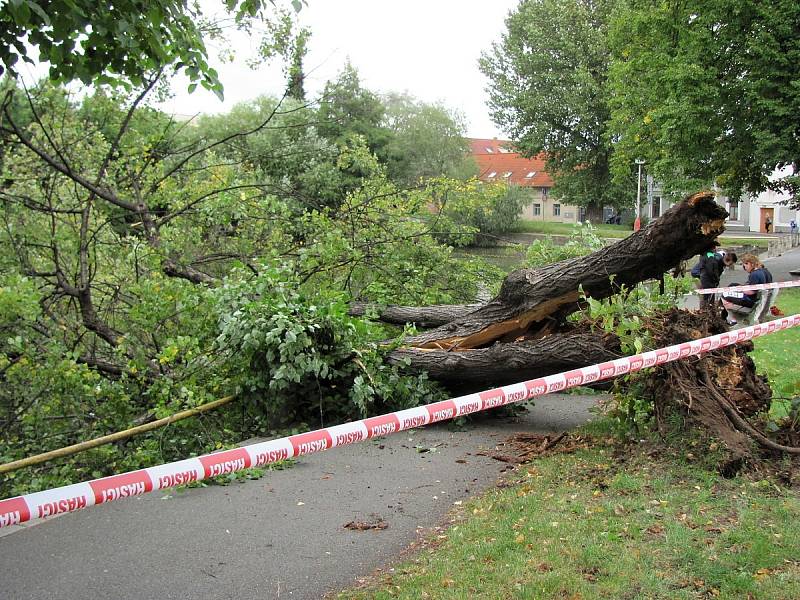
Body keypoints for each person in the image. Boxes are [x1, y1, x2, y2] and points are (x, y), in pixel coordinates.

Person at [721, 254, 773, 325]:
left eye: (745, 265)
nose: (744, 267)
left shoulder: (754, 274)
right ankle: (727, 316)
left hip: (750, 301)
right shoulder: (762, 271)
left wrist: (740, 290)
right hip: (757, 300)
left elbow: (751, 292)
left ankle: (732, 318)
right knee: (732, 286)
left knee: (724, 295)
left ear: (751, 264)